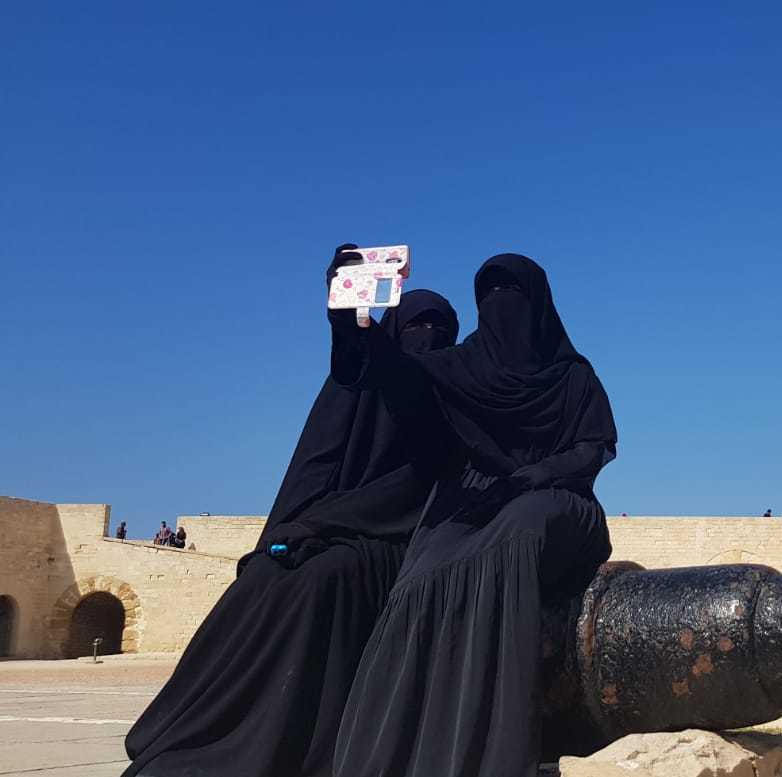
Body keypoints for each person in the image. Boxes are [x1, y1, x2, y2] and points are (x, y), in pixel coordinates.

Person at [121, 280, 460, 777]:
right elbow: (317, 460)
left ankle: (277, 741)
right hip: (327, 528)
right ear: (393, 329)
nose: (428, 337)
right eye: (416, 326)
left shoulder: (447, 400)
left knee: (322, 580)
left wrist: (324, 524)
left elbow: (414, 489)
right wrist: (295, 528)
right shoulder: (359, 386)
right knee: (262, 579)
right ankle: (185, 729)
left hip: (393, 540)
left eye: (440, 330)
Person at [331, 253, 617, 777]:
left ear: (539, 303)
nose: (499, 305)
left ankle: (490, 750)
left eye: (512, 293)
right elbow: (393, 372)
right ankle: (393, 754)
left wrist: (527, 479)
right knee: (423, 569)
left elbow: (592, 450)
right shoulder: (461, 366)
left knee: (519, 531)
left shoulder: (572, 375)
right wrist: (351, 313)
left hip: (558, 496)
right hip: (478, 500)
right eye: (489, 294)